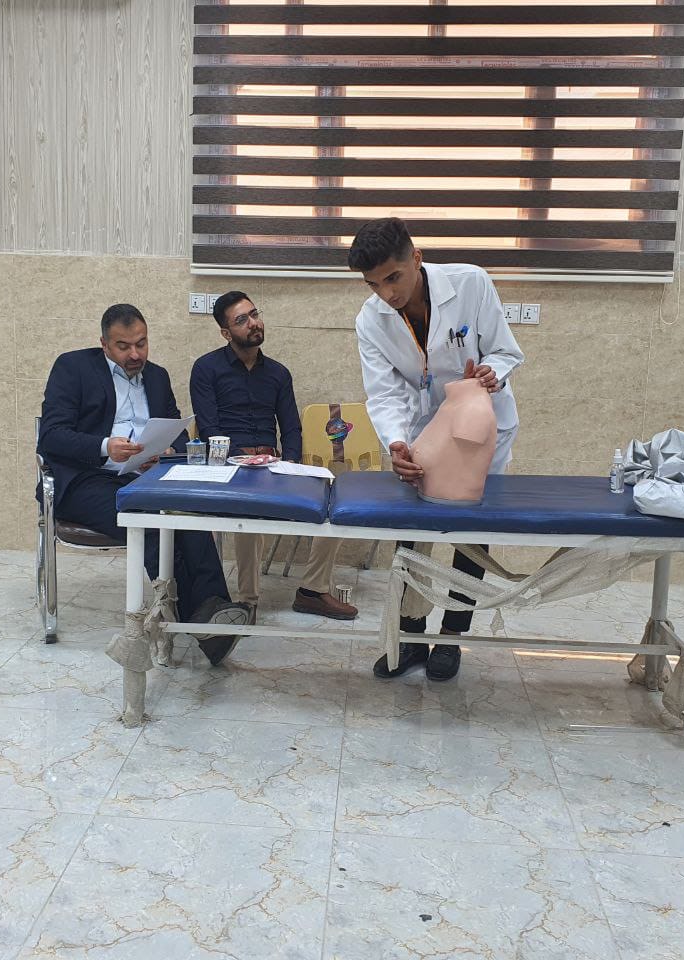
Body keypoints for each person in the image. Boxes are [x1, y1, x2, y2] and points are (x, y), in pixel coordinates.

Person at [349, 217, 524, 681]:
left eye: (393, 278)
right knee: (412, 532)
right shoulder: (370, 320)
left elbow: (506, 351)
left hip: (478, 429)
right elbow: (384, 394)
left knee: (470, 532)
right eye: (373, 284)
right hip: (424, 430)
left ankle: (450, 637)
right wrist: (396, 441)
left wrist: (491, 370)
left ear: (416, 258)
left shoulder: (471, 283)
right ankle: (410, 636)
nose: (386, 293)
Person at [37, 303, 249, 665]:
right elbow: (52, 436)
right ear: (104, 344)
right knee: (152, 521)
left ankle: (213, 612)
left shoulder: (157, 376)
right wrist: (106, 446)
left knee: (188, 514)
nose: (135, 354)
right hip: (86, 479)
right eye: (124, 346)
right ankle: (204, 623)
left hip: (144, 476)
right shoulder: (73, 368)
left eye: (141, 343)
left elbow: (177, 431)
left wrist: (165, 450)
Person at [190, 291, 358, 622]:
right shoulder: (206, 369)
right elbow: (209, 429)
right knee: (249, 508)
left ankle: (312, 590)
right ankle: (247, 601)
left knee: (337, 501)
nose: (253, 323)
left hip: (274, 464)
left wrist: (290, 463)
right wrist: (242, 459)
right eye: (242, 320)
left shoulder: (278, 373)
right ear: (225, 333)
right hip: (230, 466)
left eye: (255, 314)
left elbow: (291, 428)